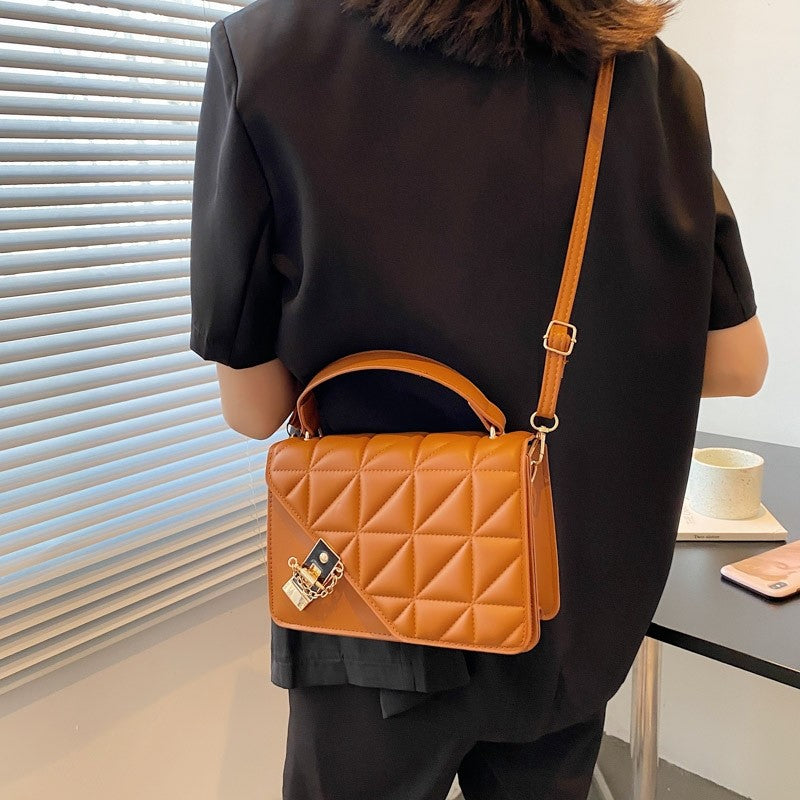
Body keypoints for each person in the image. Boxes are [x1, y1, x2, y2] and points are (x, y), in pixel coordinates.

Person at [188, 1, 769, 798]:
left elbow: (254, 410)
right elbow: (739, 363)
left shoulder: (264, 52)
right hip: (567, 606)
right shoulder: (652, 80)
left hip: (372, 597)